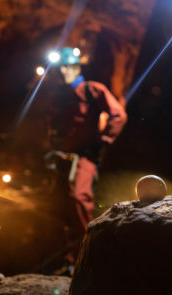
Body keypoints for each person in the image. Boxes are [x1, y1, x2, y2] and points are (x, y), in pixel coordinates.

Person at [46, 47, 127, 268]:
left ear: (76, 68)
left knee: (79, 198)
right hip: (63, 158)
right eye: (60, 68)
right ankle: (72, 259)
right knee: (61, 206)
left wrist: (102, 141)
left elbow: (118, 115)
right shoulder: (59, 95)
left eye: (68, 67)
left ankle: (92, 253)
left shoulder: (92, 90)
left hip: (84, 156)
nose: (64, 72)